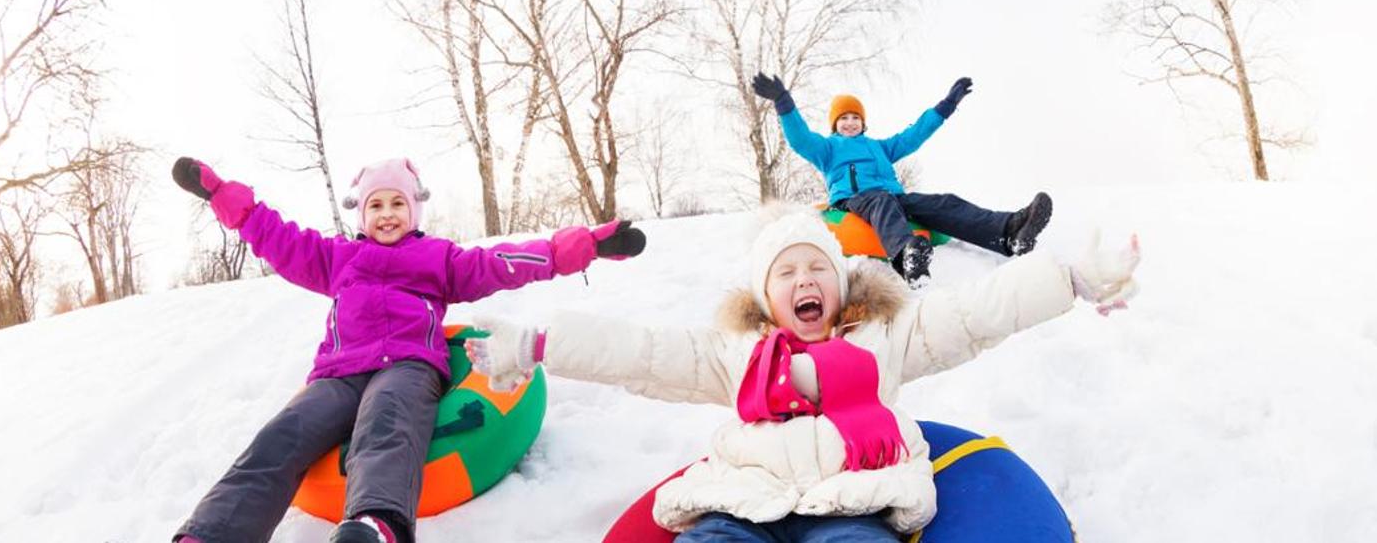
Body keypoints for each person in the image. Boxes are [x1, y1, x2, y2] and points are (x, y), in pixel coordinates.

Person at [466, 205, 1140, 541]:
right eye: (786, 272)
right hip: (740, 506)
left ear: (842, 288)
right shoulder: (734, 355)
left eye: (818, 267)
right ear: (766, 297)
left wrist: (1070, 277)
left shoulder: (885, 338)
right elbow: (640, 353)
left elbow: (971, 314)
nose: (804, 279)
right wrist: (536, 343)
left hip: (849, 506)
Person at [168, 156, 646, 543]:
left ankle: (375, 526)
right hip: (338, 373)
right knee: (282, 435)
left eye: (398, 203)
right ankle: (212, 533)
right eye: (376, 205)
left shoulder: (437, 258)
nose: (387, 213)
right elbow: (277, 238)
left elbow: (502, 263)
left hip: (409, 367)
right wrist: (223, 195)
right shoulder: (338, 258)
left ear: (413, 210)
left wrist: (579, 247)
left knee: (386, 425)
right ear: (363, 214)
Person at [751, 73, 1052, 285]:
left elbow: (913, 136)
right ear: (835, 124)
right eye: (844, 118)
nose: (850, 122)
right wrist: (783, 102)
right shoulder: (828, 149)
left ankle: (1009, 232)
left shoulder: (879, 147)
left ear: (863, 122)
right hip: (855, 201)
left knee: (942, 203)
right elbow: (800, 139)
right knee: (881, 201)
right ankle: (906, 255)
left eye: (855, 117)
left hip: (893, 197)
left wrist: (945, 108)